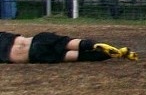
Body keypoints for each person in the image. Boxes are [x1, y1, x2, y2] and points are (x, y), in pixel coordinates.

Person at [0, 31, 137, 63]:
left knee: (74, 56)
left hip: (33, 55)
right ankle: (93, 45)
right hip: (37, 39)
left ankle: (117, 54)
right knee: (66, 42)